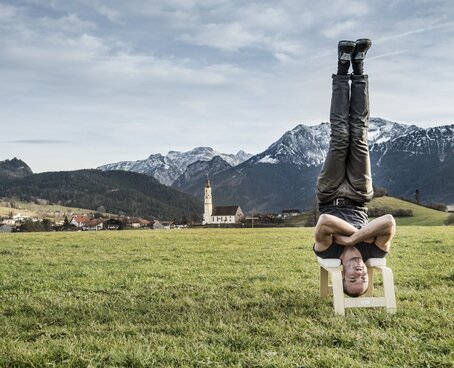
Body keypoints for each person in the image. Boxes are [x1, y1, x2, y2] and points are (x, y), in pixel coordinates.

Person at [313, 39, 396, 297]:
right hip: (360, 195)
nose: (359, 273)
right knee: (359, 134)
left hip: (329, 193)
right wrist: (356, 237)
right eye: (363, 279)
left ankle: (341, 67)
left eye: (353, 279)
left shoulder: (329, 252)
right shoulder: (374, 252)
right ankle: (358, 67)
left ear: (343, 277)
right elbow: (389, 221)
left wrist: (351, 239)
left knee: (340, 136)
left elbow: (325, 221)